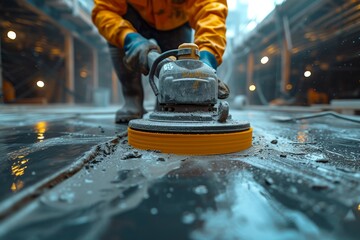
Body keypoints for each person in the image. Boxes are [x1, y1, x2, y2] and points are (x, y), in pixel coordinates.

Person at [92, 0, 229, 123]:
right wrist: (128, 39)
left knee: (181, 62)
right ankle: (132, 97)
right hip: (131, 17)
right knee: (117, 36)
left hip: (176, 21)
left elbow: (211, 9)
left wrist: (207, 56)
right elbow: (105, 9)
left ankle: (168, 102)